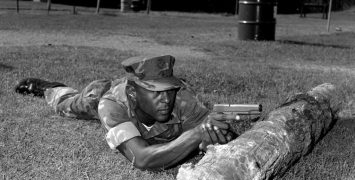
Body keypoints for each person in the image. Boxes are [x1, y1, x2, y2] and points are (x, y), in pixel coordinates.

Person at [15, 55, 235, 171]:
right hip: (98, 95)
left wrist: (214, 139)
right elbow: (141, 158)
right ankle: (47, 87)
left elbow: (217, 135)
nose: (166, 99)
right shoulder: (112, 106)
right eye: (155, 92)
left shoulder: (182, 97)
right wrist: (196, 135)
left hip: (126, 91)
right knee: (67, 106)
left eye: (169, 89)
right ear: (133, 91)